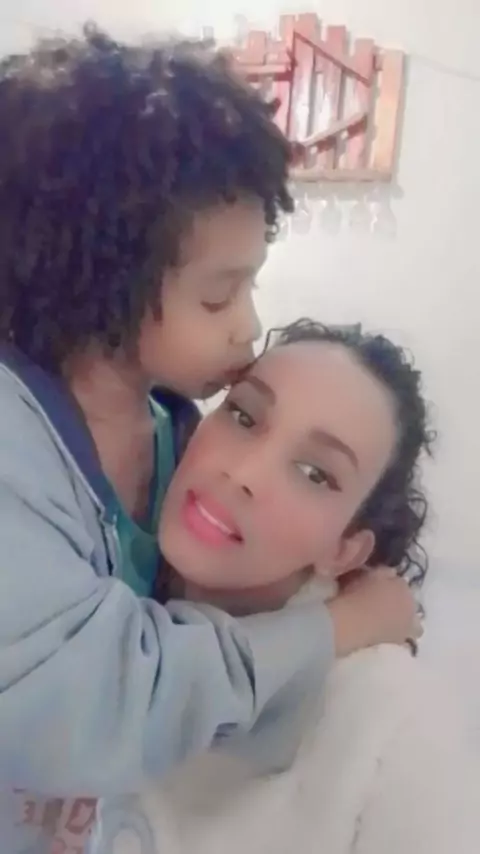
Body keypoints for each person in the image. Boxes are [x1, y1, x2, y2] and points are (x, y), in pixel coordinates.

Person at [0, 28, 418, 854]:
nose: (249, 328)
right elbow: (96, 703)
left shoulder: (180, 440)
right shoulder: (14, 445)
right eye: (220, 297)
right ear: (104, 288)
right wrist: (334, 630)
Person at [103, 321, 479, 854]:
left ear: (343, 550)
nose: (243, 473)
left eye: (314, 473)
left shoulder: (393, 723)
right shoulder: (86, 598)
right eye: (243, 416)